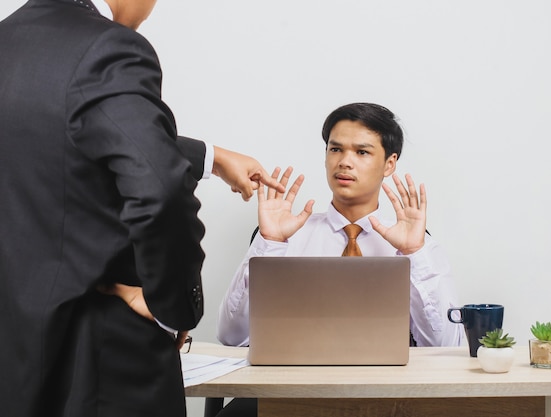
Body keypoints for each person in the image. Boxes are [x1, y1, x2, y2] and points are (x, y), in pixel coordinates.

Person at [0, 1, 284, 417]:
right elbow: (160, 190)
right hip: (100, 355)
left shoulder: (10, 41)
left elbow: (43, 136)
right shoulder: (107, 47)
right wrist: (172, 306)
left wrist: (210, 156)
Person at [214, 102, 465, 416]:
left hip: (388, 397)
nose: (345, 162)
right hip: (290, 394)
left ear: (389, 164)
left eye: (362, 152)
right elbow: (230, 337)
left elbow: (447, 346)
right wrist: (269, 243)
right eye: (335, 149)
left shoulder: (415, 243)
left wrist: (414, 253)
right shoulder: (286, 236)